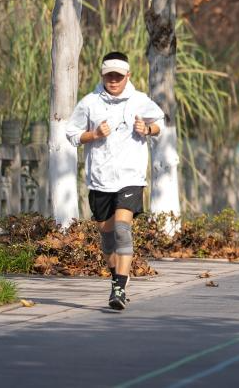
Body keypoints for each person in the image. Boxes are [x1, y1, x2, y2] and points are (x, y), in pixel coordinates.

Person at [66, 51, 165, 310]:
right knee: (108, 238)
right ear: (102, 75)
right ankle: (116, 278)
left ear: (127, 76)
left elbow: (160, 124)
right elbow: (72, 134)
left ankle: (119, 289)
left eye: (118, 76)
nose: (113, 80)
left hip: (131, 176)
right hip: (100, 179)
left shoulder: (140, 101)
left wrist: (147, 129)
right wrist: (94, 134)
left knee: (122, 230)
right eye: (109, 75)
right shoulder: (89, 103)